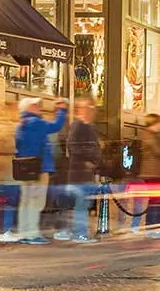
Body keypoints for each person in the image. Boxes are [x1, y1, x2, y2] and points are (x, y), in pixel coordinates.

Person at [12, 97, 67, 242]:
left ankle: (24, 232)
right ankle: (32, 234)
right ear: (28, 108)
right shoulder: (36, 123)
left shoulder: (20, 126)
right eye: (35, 105)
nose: (38, 107)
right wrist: (61, 110)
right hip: (39, 168)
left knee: (25, 202)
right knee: (36, 202)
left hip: (24, 169)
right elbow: (56, 126)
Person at [57, 97, 103, 241]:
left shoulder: (89, 126)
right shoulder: (78, 126)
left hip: (86, 173)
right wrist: (87, 161)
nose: (92, 110)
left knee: (83, 204)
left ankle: (72, 231)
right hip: (79, 173)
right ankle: (79, 233)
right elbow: (73, 146)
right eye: (88, 107)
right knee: (81, 204)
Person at [136, 113, 160, 235]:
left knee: (156, 201)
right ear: (154, 123)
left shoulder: (151, 135)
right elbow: (159, 151)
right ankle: (153, 229)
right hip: (154, 173)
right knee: (156, 202)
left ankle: (154, 228)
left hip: (155, 172)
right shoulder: (150, 135)